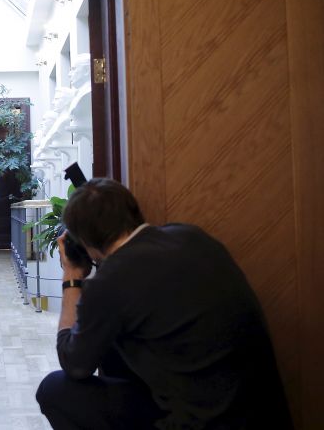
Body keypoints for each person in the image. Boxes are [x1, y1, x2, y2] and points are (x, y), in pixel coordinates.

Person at [36, 178, 293, 430]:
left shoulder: (110, 282)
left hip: (201, 421)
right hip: (266, 414)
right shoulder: (192, 236)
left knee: (54, 390)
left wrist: (72, 277)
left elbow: (75, 364)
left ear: (85, 242)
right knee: (116, 348)